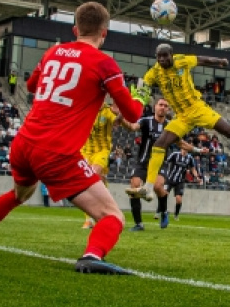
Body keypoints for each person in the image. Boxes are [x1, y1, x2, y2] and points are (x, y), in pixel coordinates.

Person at [0, 1, 148, 275]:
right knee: (113, 216)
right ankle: (92, 255)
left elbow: (31, 86)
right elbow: (133, 115)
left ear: (75, 29)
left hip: (24, 143)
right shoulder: (105, 63)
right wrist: (140, 96)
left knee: (19, 194)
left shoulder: (53, 52)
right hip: (56, 151)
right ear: (104, 33)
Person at [126, 43, 230, 202]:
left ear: (171, 55)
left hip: (198, 109)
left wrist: (219, 61)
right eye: (159, 56)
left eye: (165, 56)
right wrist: (137, 95)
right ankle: (148, 188)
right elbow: (144, 84)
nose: (162, 59)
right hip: (181, 116)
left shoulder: (181, 61)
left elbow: (202, 59)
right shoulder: (154, 72)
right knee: (159, 145)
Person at [79, 100, 133, 230]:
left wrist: (120, 113)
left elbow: (117, 122)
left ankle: (101, 212)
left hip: (101, 151)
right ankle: (89, 218)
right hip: (85, 150)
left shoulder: (108, 111)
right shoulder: (85, 108)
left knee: (91, 176)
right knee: (94, 181)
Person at [127, 97, 170, 232]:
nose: (163, 107)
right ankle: (139, 224)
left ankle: (164, 211)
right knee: (134, 187)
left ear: (168, 109)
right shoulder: (146, 121)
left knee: (157, 186)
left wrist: (196, 149)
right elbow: (133, 127)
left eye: (165, 106)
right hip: (143, 162)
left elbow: (179, 142)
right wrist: (122, 120)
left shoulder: (170, 126)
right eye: (160, 104)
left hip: (160, 163)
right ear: (155, 107)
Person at [156, 142, 201, 228]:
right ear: (181, 148)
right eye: (184, 149)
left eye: (187, 150)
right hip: (169, 179)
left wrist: (197, 176)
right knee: (164, 194)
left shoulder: (190, 158)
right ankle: (160, 211)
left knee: (179, 199)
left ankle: (176, 214)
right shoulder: (174, 154)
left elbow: (193, 169)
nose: (185, 151)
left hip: (180, 181)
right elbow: (166, 162)